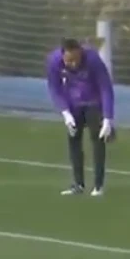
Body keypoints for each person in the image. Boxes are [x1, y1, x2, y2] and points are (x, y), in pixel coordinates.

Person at [46, 38, 116, 197]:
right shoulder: (54, 61)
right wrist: (65, 112)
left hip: (93, 102)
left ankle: (98, 185)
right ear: (63, 55)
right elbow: (54, 88)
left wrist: (107, 118)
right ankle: (78, 184)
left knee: (98, 139)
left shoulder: (93, 59)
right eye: (70, 61)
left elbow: (105, 87)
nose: (74, 64)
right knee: (74, 140)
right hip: (73, 104)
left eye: (76, 60)